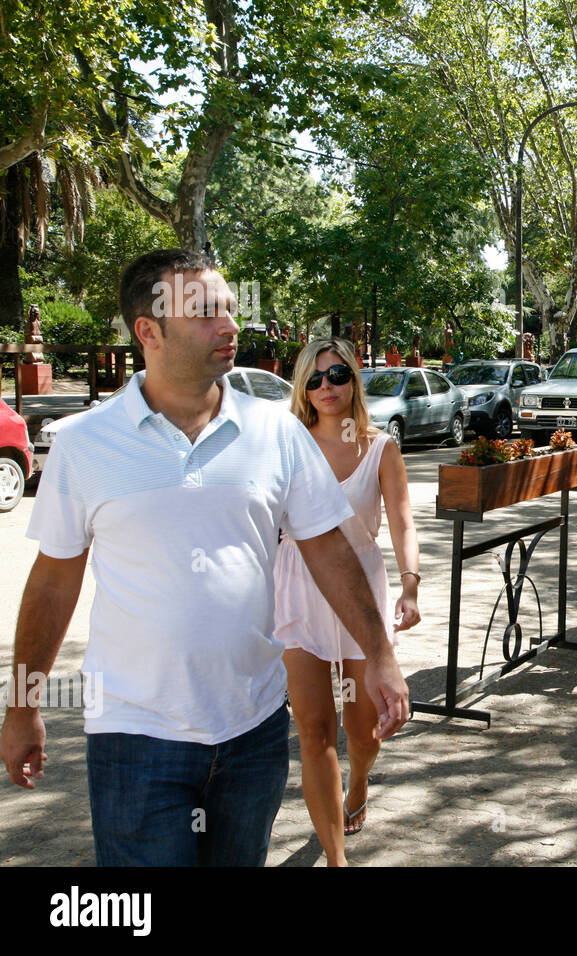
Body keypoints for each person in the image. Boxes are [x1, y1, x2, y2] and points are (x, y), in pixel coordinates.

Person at [2, 249, 408, 866]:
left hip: (254, 731)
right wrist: (24, 704)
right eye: (206, 312)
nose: (230, 324)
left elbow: (327, 548)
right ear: (149, 331)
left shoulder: (276, 432)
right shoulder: (85, 444)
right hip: (134, 738)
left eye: (229, 307)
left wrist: (379, 656)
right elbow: (54, 582)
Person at [273, 337, 419, 864]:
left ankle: (359, 781)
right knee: (314, 732)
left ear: (354, 379)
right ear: (301, 387)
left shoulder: (380, 446)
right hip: (295, 586)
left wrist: (410, 582)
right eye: (313, 379)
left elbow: (402, 519)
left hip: (362, 589)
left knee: (363, 727)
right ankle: (336, 859)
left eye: (336, 375)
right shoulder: (288, 444)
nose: (326, 387)